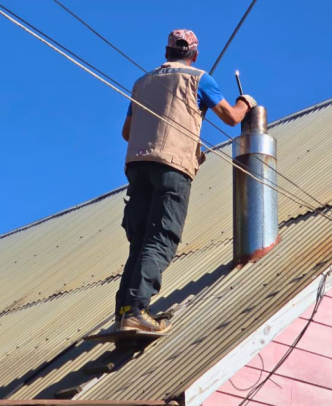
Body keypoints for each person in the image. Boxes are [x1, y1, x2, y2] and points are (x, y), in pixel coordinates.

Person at [116, 29, 256, 333]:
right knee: (160, 238)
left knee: (139, 241)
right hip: (172, 167)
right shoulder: (199, 78)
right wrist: (245, 102)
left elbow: (127, 132)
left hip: (137, 166)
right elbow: (232, 118)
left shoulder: (141, 82)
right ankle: (137, 310)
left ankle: (124, 312)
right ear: (194, 55)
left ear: (167, 52)